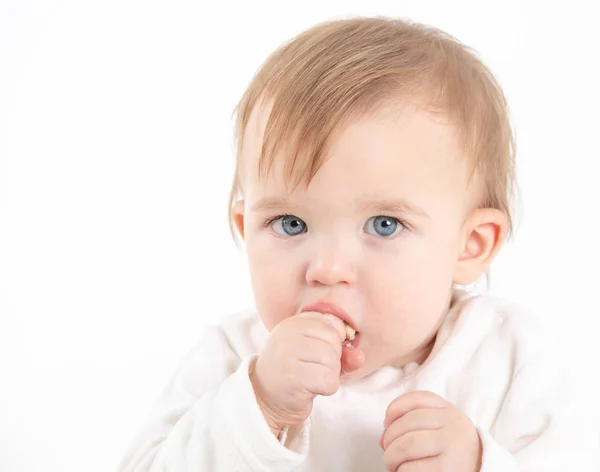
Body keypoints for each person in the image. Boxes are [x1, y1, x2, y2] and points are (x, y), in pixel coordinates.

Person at [117, 16, 598, 471]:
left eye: (384, 225)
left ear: (469, 245)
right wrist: (257, 405)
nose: (326, 268)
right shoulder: (235, 357)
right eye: (289, 223)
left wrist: (478, 462)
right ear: (246, 229)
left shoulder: (506, 357)